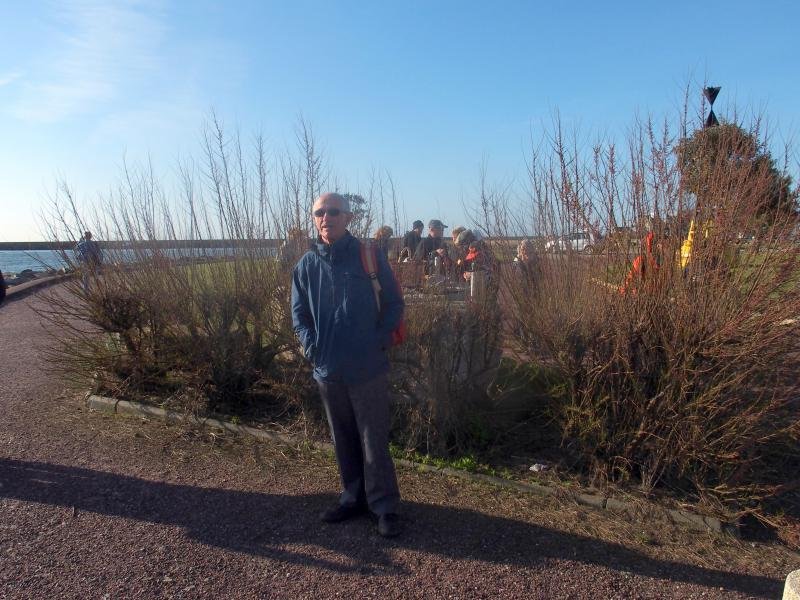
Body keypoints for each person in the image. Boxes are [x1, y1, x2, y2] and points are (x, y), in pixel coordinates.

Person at [291, 192, 404, 538]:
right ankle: (352, 498)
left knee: (373, 440)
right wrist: (314, 350)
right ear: (314, 219)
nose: (326, 218)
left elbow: (395, 304)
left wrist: (379, 341)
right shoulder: (306, 266)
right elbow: (299, 316)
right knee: (343, 440)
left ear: (348, 217)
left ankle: (383, 506)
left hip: (367, 369)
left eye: (333, 211)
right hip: (328, 370)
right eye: (319, 213)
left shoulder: (369, 256)